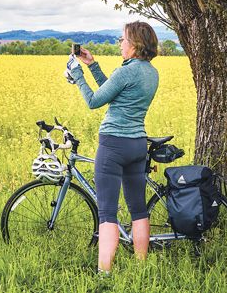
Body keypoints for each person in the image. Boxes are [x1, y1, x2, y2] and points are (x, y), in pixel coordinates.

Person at [66, 21, 159, 274]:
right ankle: (141, 266)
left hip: (114, 145)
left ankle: (104, 274)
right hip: (137, 145)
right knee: (138, 209)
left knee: (107, 212)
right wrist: (92, 65)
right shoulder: (151, 72)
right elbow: (115, 91)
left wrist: (77, 74)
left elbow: (96, 101)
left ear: (135, 44)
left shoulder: (126, 71)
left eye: (122, 40)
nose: (120, 44)